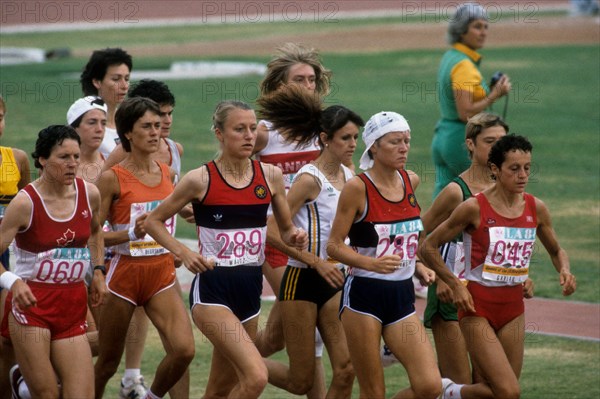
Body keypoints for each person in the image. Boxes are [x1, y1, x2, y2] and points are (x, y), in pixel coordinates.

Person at [144, 100, 308, 399]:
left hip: (249, 295)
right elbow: (152, 222)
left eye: (252, 129)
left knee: (220, 389)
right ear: (219, 134)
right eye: (239, 129)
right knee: (256, 377)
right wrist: (183, 252)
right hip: (212, 295)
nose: (249, 136)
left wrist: (295, 235)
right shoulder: (200, 179)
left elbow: (283, 229)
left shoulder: (269, 176)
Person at [420, 134, 577, 399]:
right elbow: (428, 246)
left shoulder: (536, 207)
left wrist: (564, 269)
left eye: (527, 168)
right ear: (495, 169)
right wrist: (454, 283)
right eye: (514, 169)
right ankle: (447, 392)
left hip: (513, 307)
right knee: (509, 391)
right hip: (476, 306)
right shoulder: (473, 208)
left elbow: (556, 250)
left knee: (497, 392)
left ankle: (449, 391)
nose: (522, 175)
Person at [327, 111, 441, 398]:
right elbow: (334, 246)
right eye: (394, 142)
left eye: (407, 141)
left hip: (402, 296)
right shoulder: (357, 188)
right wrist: (371, 263)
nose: (404, 148)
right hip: (364, 297)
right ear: (374, 147)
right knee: (373, 391)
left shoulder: (410, 181)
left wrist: (416, 263)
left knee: (430, 386)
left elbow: (404, 236)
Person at [256, 85, 359, 396]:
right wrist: (314, 261)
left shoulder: (350, 178)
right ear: (325, 139)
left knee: (346, 370)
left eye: (356, 137)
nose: (353, 144)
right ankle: (244, 363)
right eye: (345, 138)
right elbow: (271, 230)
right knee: (300, 382)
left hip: (336, 279)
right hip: (300, 282)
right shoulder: (308, 179)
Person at [93, 97, 195, 399]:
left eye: (157, 125)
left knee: (184, 350)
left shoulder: (167, 174)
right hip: (123, 277)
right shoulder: (112, 179)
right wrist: (127, 235)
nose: (156, 131)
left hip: (161, 274)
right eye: (146, 126)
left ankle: (150, 396)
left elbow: (170, 219)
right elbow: (93, 234)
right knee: (108, 362)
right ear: (128, 133)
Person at [420, 113, 533, 383]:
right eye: (490, 141)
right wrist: (434, 274)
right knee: (458, 383)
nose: (497, 148)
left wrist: (521, 275)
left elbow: (508, 245)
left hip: (488, 295)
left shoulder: (508, 191)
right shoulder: (456, 192)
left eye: (502, 142)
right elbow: (420, 235)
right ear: (470, 144)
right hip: (451, 294)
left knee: (489, 384)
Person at [0, 125, 106, 398]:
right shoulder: (26, 203)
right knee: (47, 395)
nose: (72, 164)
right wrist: (12, 282)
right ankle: (22, 383)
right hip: (32, 305)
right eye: (63, 157)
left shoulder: (89, 194)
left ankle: (21, 380)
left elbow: (95, 232)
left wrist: (97, 270)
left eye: (76, 157)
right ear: (43, 160)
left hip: (72, 303)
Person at [253, 43, 332, 397]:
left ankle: (239, 357)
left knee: (275, 338)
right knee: (311, 327)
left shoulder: (325, 131)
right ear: (279, 86)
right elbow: (226, 172)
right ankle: (239, 359)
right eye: (298, 79)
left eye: (312, 80)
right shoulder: (263, 133)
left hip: (317, 240)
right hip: (277, 242)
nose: (307, 85)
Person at [431, 2, 512, 198]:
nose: (483, 32)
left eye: (485, 26)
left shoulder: (451, 56)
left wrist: (488, 93)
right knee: (477, 197)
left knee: (444, 198)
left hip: (443, 135)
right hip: (460, 139)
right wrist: (495, 95)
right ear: (461, 30)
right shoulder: (464, 65)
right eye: (477, 26)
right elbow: (465, 112)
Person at [0, 95, 31, 399]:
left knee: (4, 339)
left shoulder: (17, 159)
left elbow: (28, 211)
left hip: (6, 261)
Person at [80, 47, 132, 159]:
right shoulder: (82, 124)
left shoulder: (130, 120)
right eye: (116, 79)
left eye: (127, 79)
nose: (124, 86)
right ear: (97, 82)